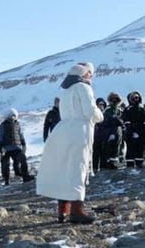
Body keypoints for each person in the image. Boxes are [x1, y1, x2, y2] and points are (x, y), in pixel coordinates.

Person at [36, 62, 103, 224]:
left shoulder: (65, 91)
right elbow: (90, 111)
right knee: (77, 168)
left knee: (64, 169)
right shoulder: (84, 87)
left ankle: (62, 210)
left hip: (63, 130)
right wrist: (100, 115)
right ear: (85, 73)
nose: (91, 77)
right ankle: (76, 211)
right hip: (79, 130)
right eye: (90, 73)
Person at [0, 108, 34, 185]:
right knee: (5, 165)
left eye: (13, 116)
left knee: (22, 160)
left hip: (16, 147)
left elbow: (20, 135)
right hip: (6, 149)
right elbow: (0, 137)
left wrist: (23, 144)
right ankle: (6, 180)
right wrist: (1, 147)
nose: (12, 118)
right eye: (11, 116)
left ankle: (25, 176)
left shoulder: (17, 125)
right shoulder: (2, 126)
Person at [123, 91, 145, 168]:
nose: (135, 99)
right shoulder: (128, 109)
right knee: (130, 149)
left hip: (141, 133)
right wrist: (132, 132)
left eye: (137, 97)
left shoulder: (142, 109)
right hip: (131, 134)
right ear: (130, 99)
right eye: (134, 98)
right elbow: (126, 122)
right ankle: (130, 164)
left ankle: (139, 163)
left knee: (140, 149)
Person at [101, 93, 125, 169]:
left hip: (119, 131)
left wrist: (119, 121)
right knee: (109, 146)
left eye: (116, 99)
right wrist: (112, 119)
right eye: (112, 99)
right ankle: (109, 162)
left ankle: (116, 161)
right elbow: (104, 121)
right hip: (109, 131)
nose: (114, 101)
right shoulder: (107, 110)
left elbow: (123, 120)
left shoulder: (120, 110)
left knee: (118, 146)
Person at [92, 98, 107, 172]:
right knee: (95, 153)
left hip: (104, 136)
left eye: (102, 104)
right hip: (96, 136)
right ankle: (95, 168)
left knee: (104, 152)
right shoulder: (94, 114)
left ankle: (103, 168)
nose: (101, 106)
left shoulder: (106, 114)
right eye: (100, 104)